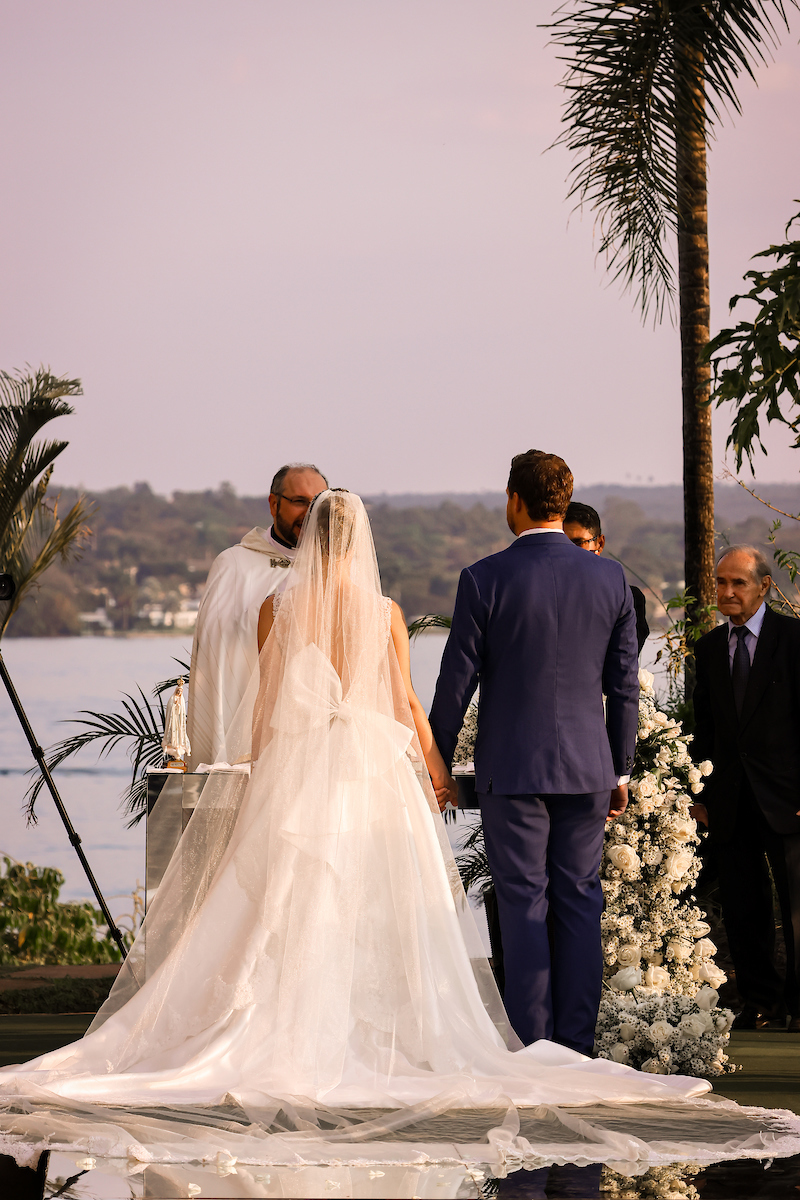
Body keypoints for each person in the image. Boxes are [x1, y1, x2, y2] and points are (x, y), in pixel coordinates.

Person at [0, 489, 732, 1172]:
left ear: (311, 538)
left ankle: (290, 1027)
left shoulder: (274, 605)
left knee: (291, 902)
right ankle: (373, 1033)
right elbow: (406, 699)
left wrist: (257, 774)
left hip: (301, 764)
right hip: (371, 768)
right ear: (360, 543)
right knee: (373, 904)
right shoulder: (382, 609)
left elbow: (261, 710)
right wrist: (438, 770)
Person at [429, 451, 639, 1056]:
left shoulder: (483, 578)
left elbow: (454, 686)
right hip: (589, 769)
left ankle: (532, 1046)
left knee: (523, 902)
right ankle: (576, 1048)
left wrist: (435, 764)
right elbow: (623, 684)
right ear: (563, 503)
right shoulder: (610, 577)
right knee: (579, 898)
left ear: (514, 501)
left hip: (513, 770)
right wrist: (619, 767)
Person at [691, 545, 800, 1032]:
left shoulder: (794, 639)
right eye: (720, 583)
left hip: (788, 800)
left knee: (798, 907)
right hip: (729, 800)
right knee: (743, 907)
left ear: (764, 586)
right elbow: (706, 726)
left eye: (738, 583)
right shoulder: (712, 647)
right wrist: (701, 794)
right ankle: (761, 1004)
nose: (727, 592)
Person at [187, 462, 327, 767]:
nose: (310, 512)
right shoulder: (234, 566)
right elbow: (216, 667)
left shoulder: (337, 571)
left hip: (321, 747)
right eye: (300, 501)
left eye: (318, 503)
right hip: (249, 745)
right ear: (274, 504)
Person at [563, 501, 650, 654]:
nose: (570, 552)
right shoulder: (542, 597)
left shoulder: (629, 600)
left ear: (599, 543)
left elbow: (626, 658)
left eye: (578, 543)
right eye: (563, 544)